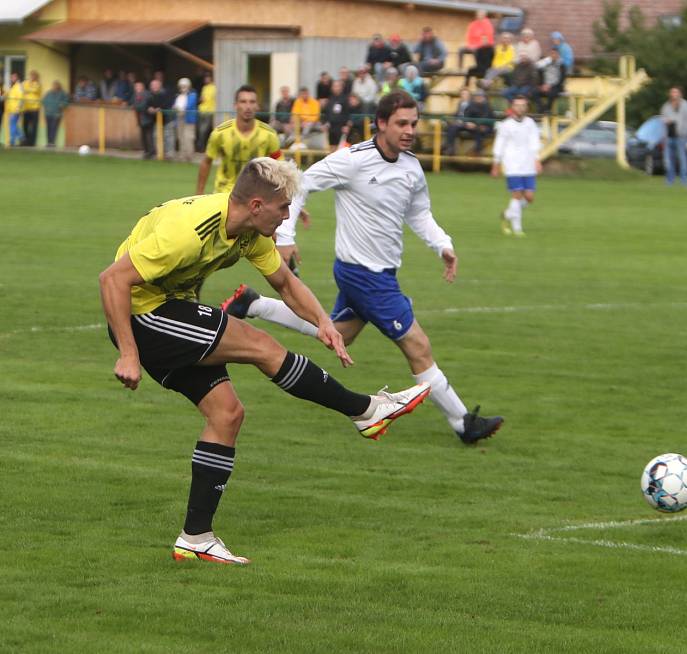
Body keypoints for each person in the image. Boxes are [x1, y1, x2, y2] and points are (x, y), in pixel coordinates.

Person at [99, 157, 431, 565]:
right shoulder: (187, 232)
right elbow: (112, 278)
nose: (288, 215)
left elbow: (287, 284)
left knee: (227, 414)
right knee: (259, 344)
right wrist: (128, 355)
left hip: (169, 309)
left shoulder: (249, 234)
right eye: (283, 207)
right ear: (257, 205)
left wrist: (324, 323)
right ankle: (365, 411)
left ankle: (196, 537)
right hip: (143, 315)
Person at [223, 91, 504, 444]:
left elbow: (418, 213)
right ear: (381, 123)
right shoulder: (353, 160)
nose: (409, 130)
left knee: (341, 332)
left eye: (414, 123)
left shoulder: (411, 167)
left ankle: (253, 304)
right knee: (418, 345)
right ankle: (464, 423)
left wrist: (443, 244)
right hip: (363, 275)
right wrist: (286, 236)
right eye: (402, 123)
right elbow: (303, 183)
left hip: (382, 272)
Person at [197, 85, 282, 195]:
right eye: (243, 102)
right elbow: (206, 162)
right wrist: (199, 194)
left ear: (257, 106)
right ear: (235, 105)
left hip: (256, 196)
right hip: (224, 194)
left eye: (252, 102)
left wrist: (286, 198)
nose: (248, 106)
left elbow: (280, 166)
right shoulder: (220, 133)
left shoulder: (269, 134)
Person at [492, 95, 542, 237]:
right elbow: (499, 144)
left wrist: (537, 160)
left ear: (526, 107)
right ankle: (517, 229)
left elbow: (534, 142)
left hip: (528, 164)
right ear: (512, 107)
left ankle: (508, 214)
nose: (520, 108)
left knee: (529, 197)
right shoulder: (506, 125)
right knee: (517, 195)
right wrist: (496, 163)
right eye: (517, 105)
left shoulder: (530, 123)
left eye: (523, 105)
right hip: (512, 165)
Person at [660, 87, 687, 186]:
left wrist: (686, 133)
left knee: (682, 158)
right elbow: (662, 119)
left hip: (681, 136)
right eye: (672, 92)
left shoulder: (686, 105)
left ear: (680, 94)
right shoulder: (666, 106)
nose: (674, 94)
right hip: (669, 136)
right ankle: (670, 180)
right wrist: (666, 121)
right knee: (669, 160)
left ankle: (684, 181)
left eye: (676, 92)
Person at [445, 88, 493, 156]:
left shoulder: (487, 106)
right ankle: (450, 148)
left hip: (484, 126)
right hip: (470, 125)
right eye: (477, 96)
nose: (478, 98)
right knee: (453, 127)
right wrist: (467, 123)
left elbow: (486, 118)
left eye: (480, 96)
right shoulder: (472, 105)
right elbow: (467, 115)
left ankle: (477, 150)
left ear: (483, 97)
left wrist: (475, 124)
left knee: (479, 130)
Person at [532, 48, 567, 114]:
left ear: (558, 55)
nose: (553, 55)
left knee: (552, 93)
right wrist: (542, 85)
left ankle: (547, 109)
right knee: (534, 92)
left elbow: (562, 80)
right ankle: (541, 108)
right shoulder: (545, 63)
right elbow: (539, 74)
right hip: (544, 85)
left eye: (555, 54)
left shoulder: (562, 65)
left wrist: (550, 86)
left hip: (556, 86)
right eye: (552, 54)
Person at [145, 78, 173, 156]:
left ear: (160, 86)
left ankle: (169, 155)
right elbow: (147, 105)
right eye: (152, 85)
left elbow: (168, 105)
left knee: (167, 137)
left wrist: (160, 109)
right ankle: (159, 154)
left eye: (156, 85)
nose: (154, 87)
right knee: (156, 136)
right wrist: (149, 108)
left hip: (167, 120)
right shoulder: (149, 96)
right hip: (156, 120)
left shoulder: (165, 94)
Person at [322, 79, 352, 150]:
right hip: (331, 127)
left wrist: (347, 126)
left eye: (338, 86)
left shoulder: (345, 99)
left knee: (341, 149)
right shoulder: (330, 99)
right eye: (334, 86)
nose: (336, 88)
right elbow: (327, 113)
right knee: (332, 148)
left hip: (341, 128)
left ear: (341, 87)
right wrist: (325, 123)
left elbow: (348, 114)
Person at [174, 78, 198, 162]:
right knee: (181, 137)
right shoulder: (178, 96)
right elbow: (175, 106)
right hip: (179, 118)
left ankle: (189, 156)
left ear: (188, 86)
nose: (182, 88)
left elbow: (189, 105)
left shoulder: (193, 95)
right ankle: (182, 155)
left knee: (188, 137)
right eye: (181, 86)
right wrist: (175, 108)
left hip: (189, 119)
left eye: (184, 86)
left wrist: (181, 109)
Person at [42, 80, 70, 147]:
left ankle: (52, 142)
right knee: (48, 128)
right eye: (53, 85)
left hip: (57, 114)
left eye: (56, 85)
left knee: (54, 128)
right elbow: (43, 101)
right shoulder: (48, 93)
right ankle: (48, 142)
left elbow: (66, 102)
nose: (54, 86)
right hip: (48, 113)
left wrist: (61, 105)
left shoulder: (63, 93)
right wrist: (46, 107)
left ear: (59, 86)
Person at [132, 81, 155, 159]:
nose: (137, 88)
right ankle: (146, 152)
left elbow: (142, 106)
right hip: (141, 119)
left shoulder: (146, 94)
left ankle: (151, 152)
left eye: (139, 86)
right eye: (136, 86)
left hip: (148, 119)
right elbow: (134, 104)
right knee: (143, 136)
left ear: (142, 87)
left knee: (149, 136)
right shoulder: (135, 95)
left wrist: (138, 107)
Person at [22, 70, 42, 146]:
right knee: (25, 125)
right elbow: (22, 89)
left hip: (35, 108)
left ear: (36, 77)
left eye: (34, 76)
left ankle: (32, 142)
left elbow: (35, 90)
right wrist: (28, 88)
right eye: (31, 75)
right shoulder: (25, 82)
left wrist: (28, 89)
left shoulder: (38, 84)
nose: (32, 77)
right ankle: (26, 140)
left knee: (34, 126)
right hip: (26, 107)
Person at [197, 72, 216, 151]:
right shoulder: (204, 87)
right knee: (201, 130)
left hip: (210, 111)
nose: (206, 79)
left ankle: (202, 147)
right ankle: (201, 147)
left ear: (210, 78)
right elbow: (201, 99)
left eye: (207, 78)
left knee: (204, 130)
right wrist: (200, 99)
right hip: (201, 111)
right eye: (205, 78)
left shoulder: (214, 87)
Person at [6, 72, 24, 146]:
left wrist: (18, 108)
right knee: (13, 125)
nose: (12, 78)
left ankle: (13, 141)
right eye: (11, 77)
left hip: (16, 110)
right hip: (11, 110)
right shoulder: (12, 87)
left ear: (17, 78)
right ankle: (21, 137)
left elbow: (21, 98)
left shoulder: (19, 86)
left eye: (13, 77)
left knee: (12, 125)